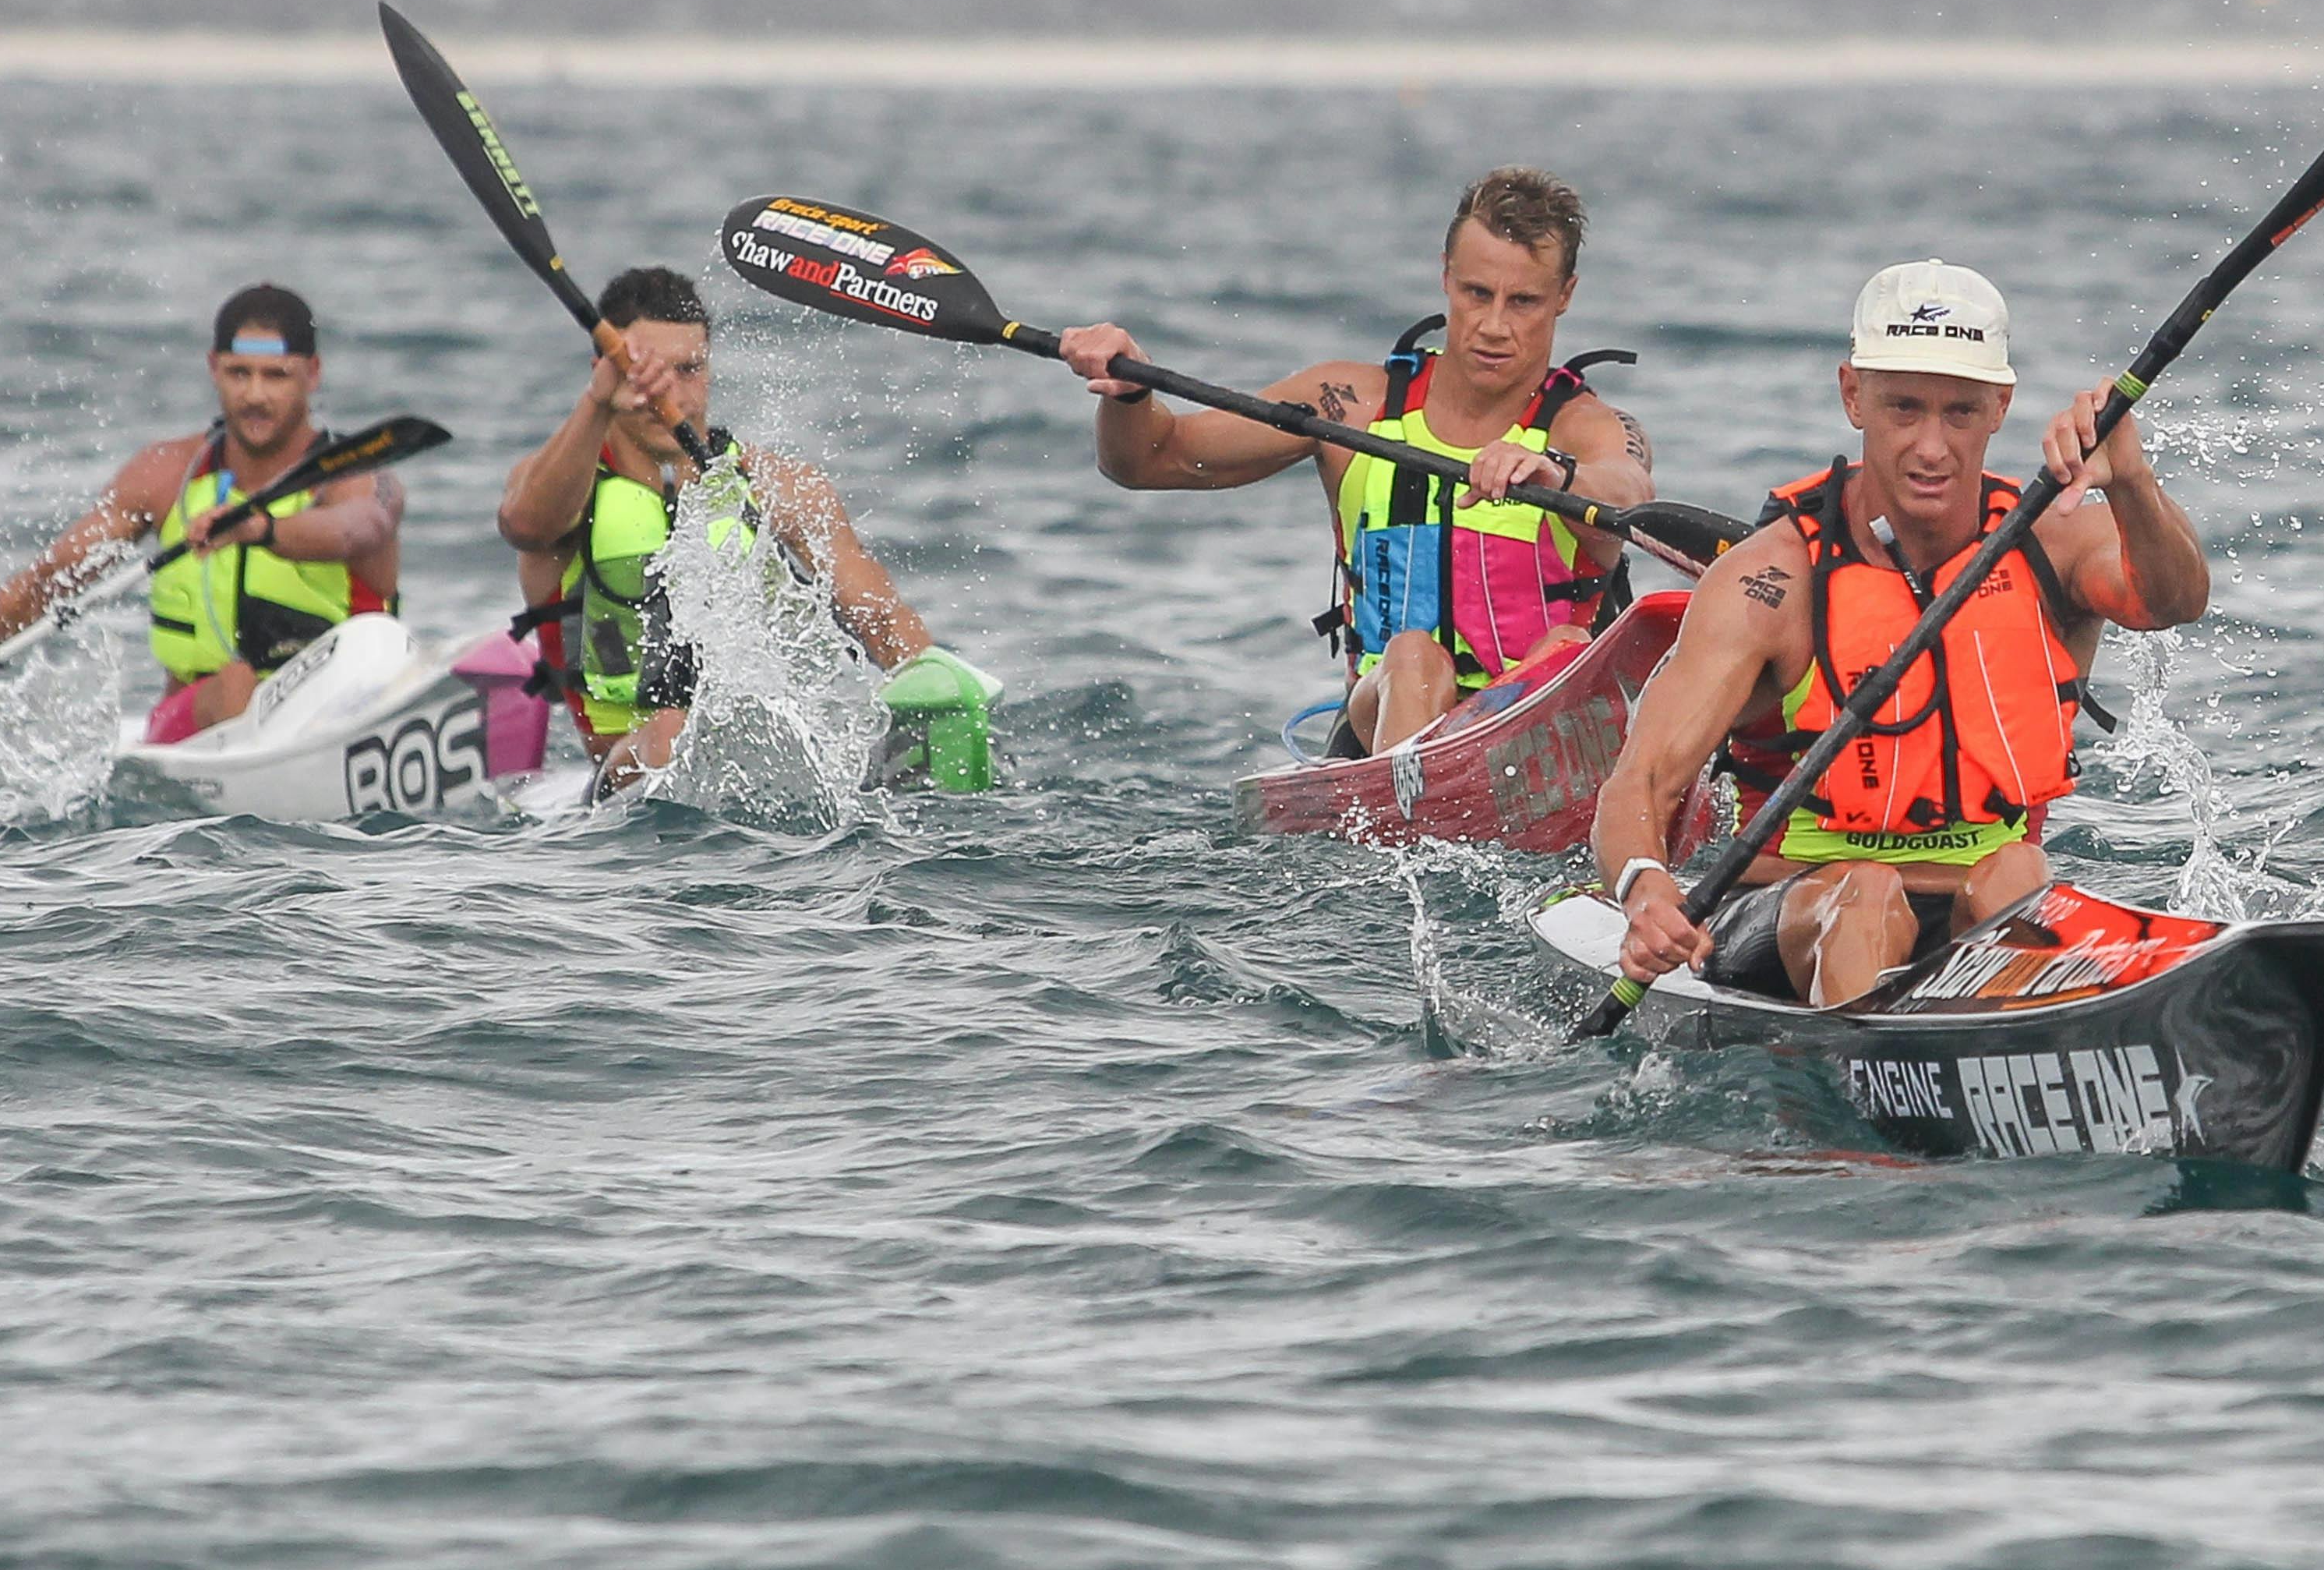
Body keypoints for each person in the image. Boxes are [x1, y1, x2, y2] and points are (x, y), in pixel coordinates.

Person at [1584, 259, 2211, 1006]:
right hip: (1790, 913)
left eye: (1959, 412)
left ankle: (1994, 1042)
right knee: (1866, 895)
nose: (1931, 447)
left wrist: (2133, 482)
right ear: (1853, 395)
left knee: (2020, 875)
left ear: (2000, 406)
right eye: (1904, 408)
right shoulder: (1774, 581)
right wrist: (1645, 887)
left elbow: (2174, 599)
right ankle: (1864, 1100)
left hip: (1977, 912)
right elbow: (1641, 781)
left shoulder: (2055, 542)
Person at [1054, 167, 1651, 755]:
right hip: (1382, 721)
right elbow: (1149, 460)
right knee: (1415, 656)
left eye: (1523, 301)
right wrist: (1130, 391)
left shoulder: (1581, 429)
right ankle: (1406, 835)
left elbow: (1630, 491)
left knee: (1568, 644)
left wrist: (1556, 474)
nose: (1494, 326)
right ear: (1445, 277)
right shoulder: (1349, 407)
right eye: (1476, 293)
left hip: (1541, 737)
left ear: (1564, 296)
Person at [493, 263, 989, 796]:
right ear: (604, 371)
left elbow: (882, 620)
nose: (674, 395)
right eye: (652, 372)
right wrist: (598, 402)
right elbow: (524, 524)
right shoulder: (564, 489)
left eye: (689, 369)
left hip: (775, 765)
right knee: (670, 732)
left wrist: (937, 692)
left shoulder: (780, 487)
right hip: (622, 771)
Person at [0, 283, 406, 737]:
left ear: (313, 373)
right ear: (213, 368)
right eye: (238, 373)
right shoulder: (167, 476)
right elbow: (63, 572)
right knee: (236, 683)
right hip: (194, 727)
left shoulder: (359, 474)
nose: (255, 396)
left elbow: (358, 529)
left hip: (340, 706)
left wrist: (261, 529)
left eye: (276, 375)